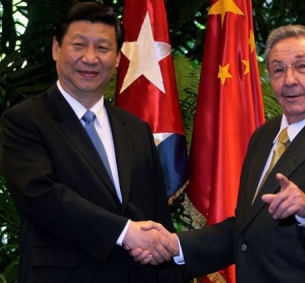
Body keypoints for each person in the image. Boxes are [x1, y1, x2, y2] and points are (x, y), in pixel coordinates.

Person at [132, 25, 305, 283]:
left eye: (302, 66)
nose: (289, 80)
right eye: (278, 70)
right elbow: (246, 229)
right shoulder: (264, 136)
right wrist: (175, 244)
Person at [0, 2, 184, 283]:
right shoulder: (24, 120)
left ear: (119, 58)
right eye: (78, 45)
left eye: (102, 48)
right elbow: (41, 197)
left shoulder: (136, 129)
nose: (90, 58)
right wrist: (124, 232)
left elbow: (157, 214)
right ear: (56, 49)